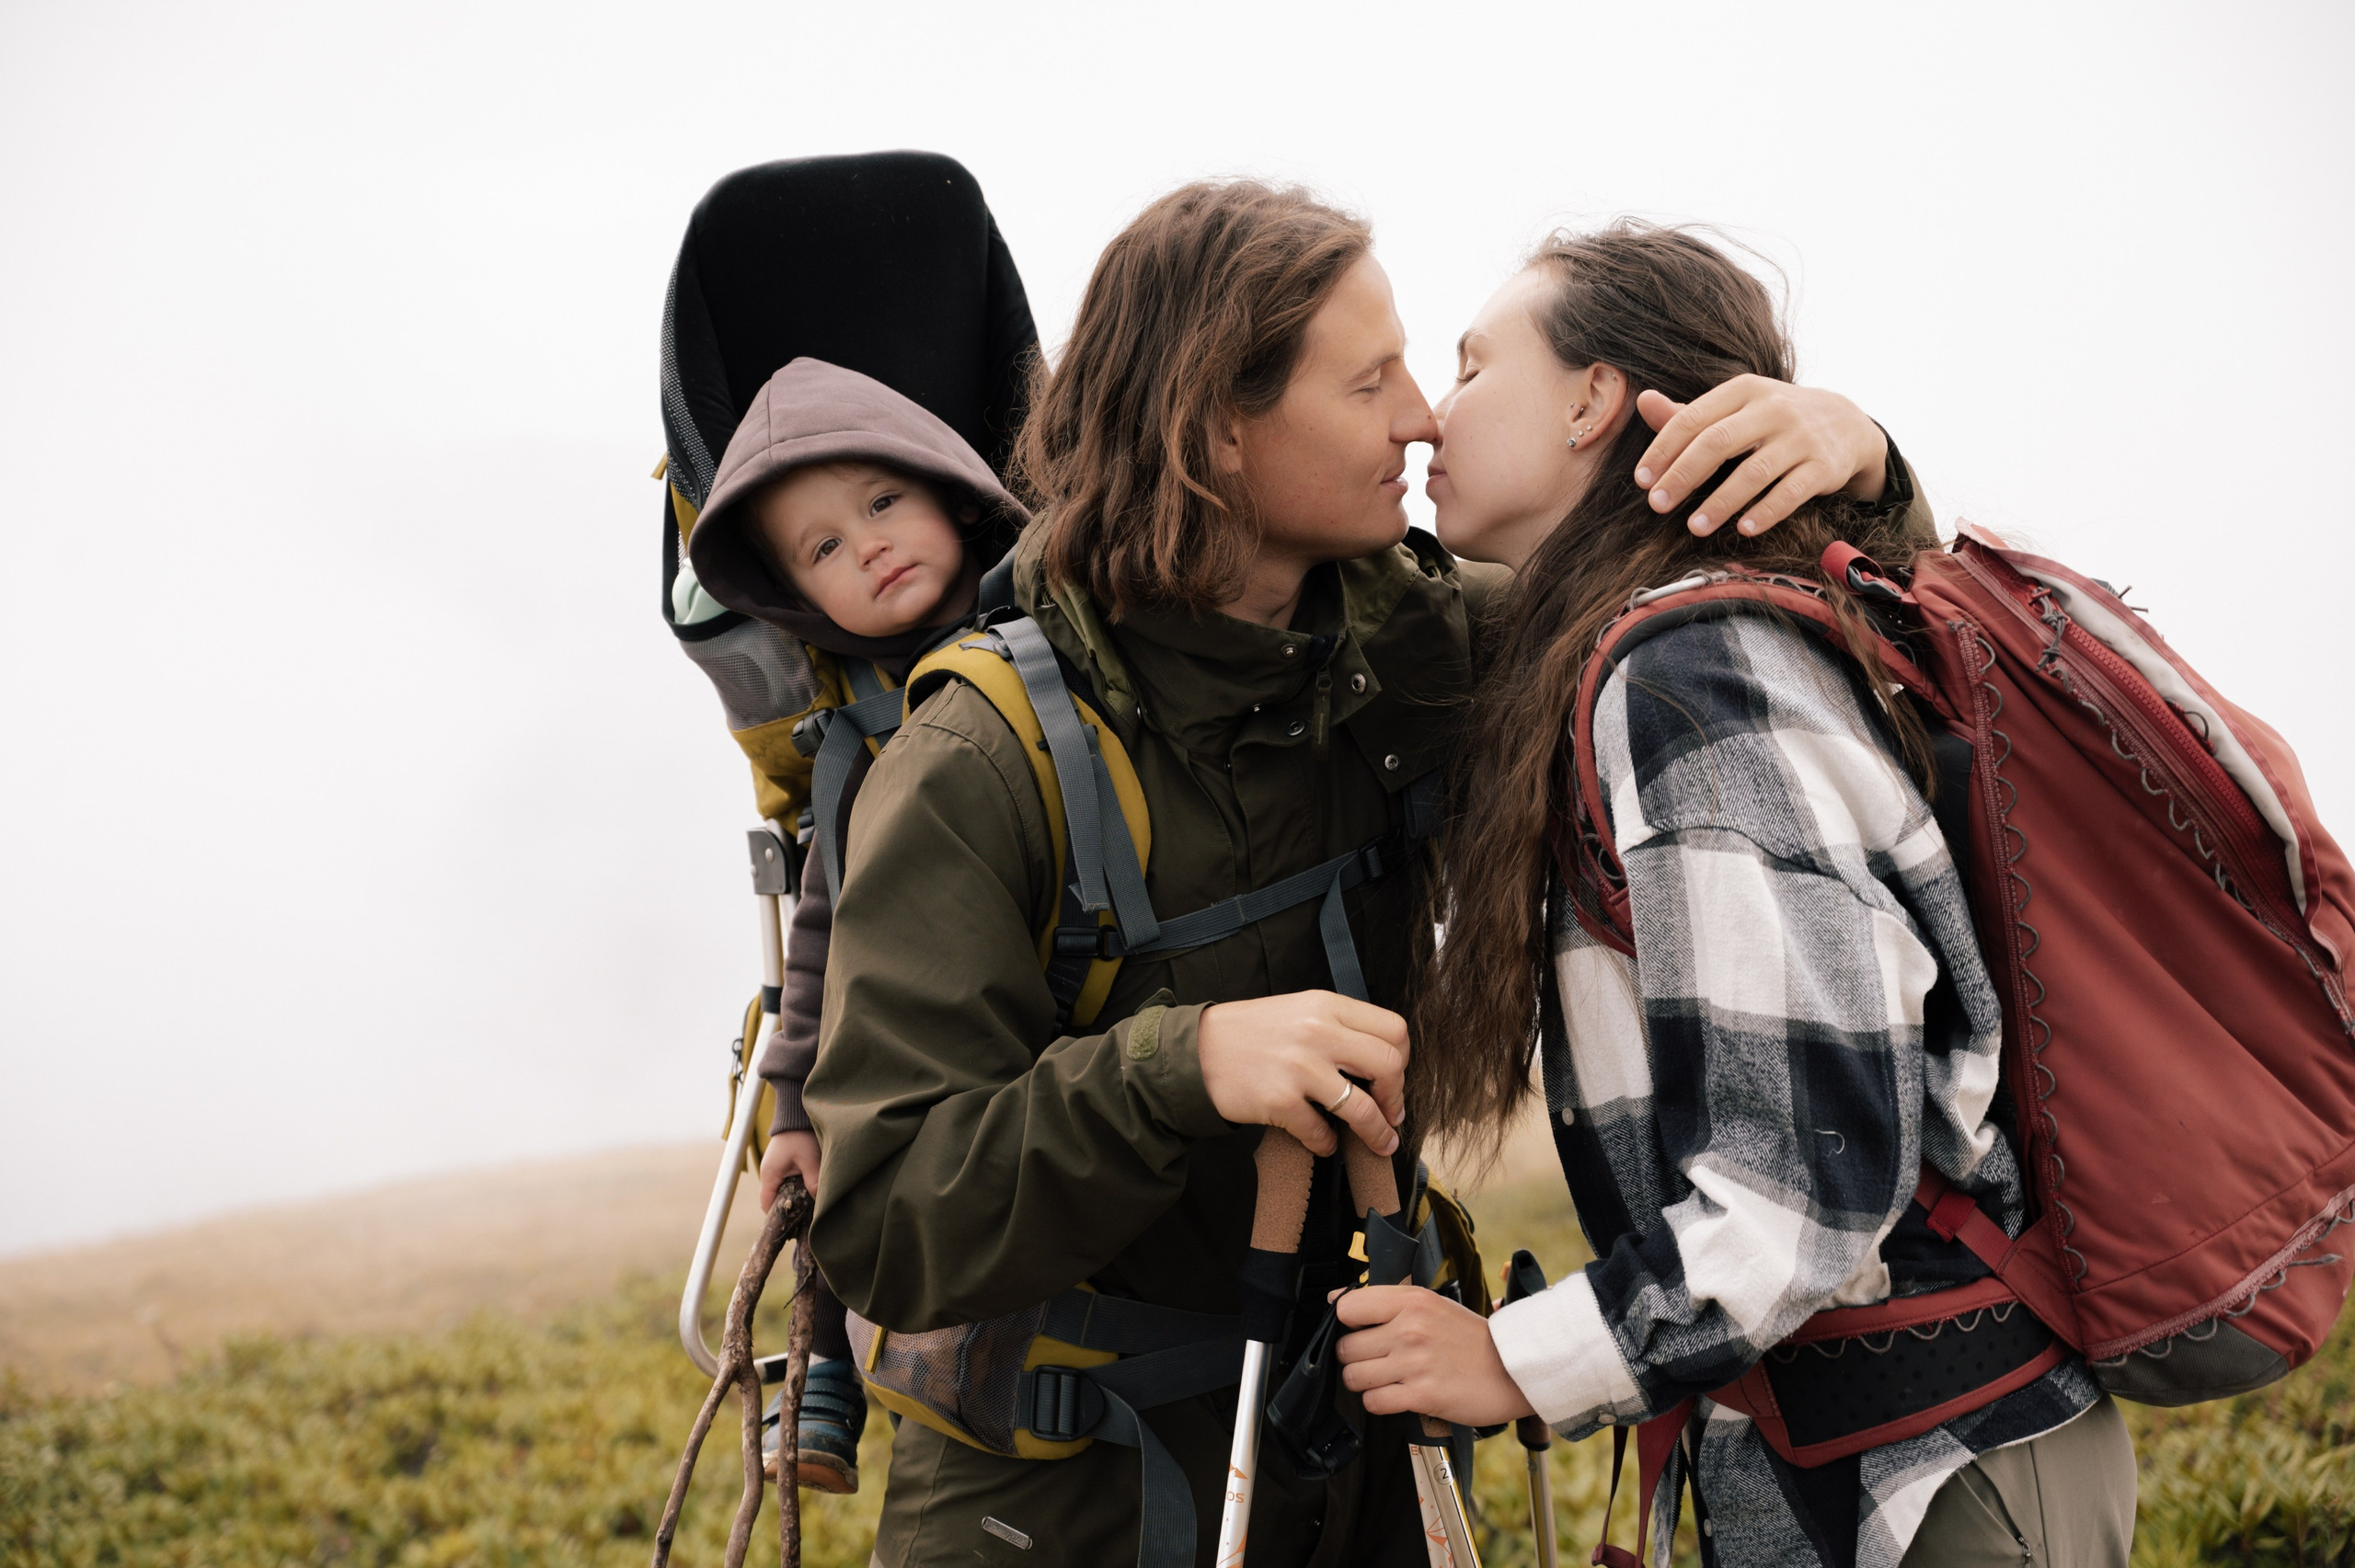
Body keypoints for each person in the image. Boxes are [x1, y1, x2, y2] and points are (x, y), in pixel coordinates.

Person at [801, 181, 1920, 1568]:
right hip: (1063, 1512)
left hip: (1362, 1470)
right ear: (1217, 424)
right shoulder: (979, 758)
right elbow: (887, 1221)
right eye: (1369, 377)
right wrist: (1181, 1065)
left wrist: (1862, 460)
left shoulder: (1425, 645)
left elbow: (1796, 656)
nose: (1420, 415)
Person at [1332, 223, 2136, 1567]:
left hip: (1931, 1484)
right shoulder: (1662, 646)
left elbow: (1802, 1187)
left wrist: (1511, 1362)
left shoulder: (1690, 672)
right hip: (1873, 1466)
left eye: (1472, 368)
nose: (1428, 416)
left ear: (1592, 400)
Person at [684, 353, 1033, 1494]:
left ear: (948, 491)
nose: (869, 543)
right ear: (800, 601)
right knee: (852, 1127)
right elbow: (818, 951)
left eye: (882, 502)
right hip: (917, 1040)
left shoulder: (1059, 632)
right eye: (825, 547)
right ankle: (825, 1369)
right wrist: (791, 1107)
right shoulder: (853, 743)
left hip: (1062, 992)